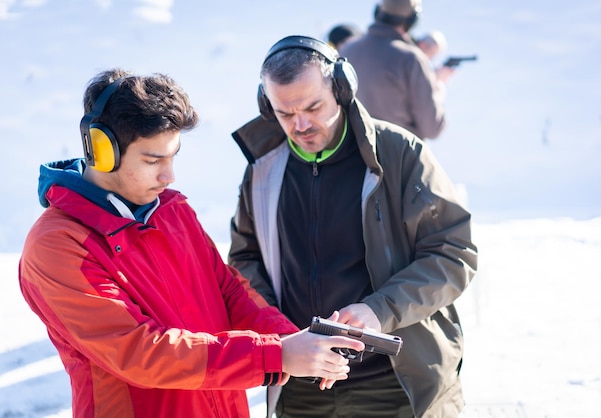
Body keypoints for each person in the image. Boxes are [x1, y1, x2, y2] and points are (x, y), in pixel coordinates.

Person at [18, 68, 366, 418]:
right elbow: (139, 352)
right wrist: (275, 355)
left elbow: (229, 291)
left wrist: (291, 339)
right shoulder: (58, 245)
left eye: (173, 156)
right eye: (153, 160)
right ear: (102, 151)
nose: (169, 176)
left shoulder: (172, 210)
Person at [229, 35, 478, 417]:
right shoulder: (262, 170)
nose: (300, 124)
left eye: (314, 106)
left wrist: (380, 310)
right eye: (285, 113)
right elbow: (245, 260)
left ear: (342, 88)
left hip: (394, 384)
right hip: (299, 386)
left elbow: (453, 254)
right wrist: (282, 335)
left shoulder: (400, 154)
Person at [339, 0, 450, 140]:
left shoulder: (347, 50)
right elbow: (432, 129)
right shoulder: (412, 59)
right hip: (400, 156)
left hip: (355, 153)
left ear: (378, 13)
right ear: (413, 19)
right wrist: (438, 86)